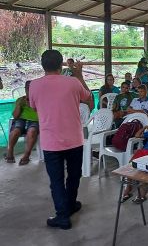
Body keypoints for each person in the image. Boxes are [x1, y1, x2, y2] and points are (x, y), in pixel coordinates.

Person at [29, 50, 92, 230]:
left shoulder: (34, 85)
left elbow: (34, 106)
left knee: (56, 180)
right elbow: (89, 99)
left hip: (51, 143)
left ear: (43, 65)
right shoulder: (72, 83)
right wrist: (79, 75)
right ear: (61, 65)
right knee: (73, 176)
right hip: (74, 140)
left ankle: (63, 215)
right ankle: (70, 205)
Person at [4, 81, 39, 165]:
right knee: (16, 131)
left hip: (35, 120)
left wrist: (32, 104)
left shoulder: (39, 99)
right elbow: (15, 116)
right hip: (21, 120)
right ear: (25, 89)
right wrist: (19, 105)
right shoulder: (20, 100)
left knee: (31, 131)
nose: (29, 90)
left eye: (31, 88)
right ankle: (10, 151)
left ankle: (27, 155)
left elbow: (44, 114)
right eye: (27, 88)